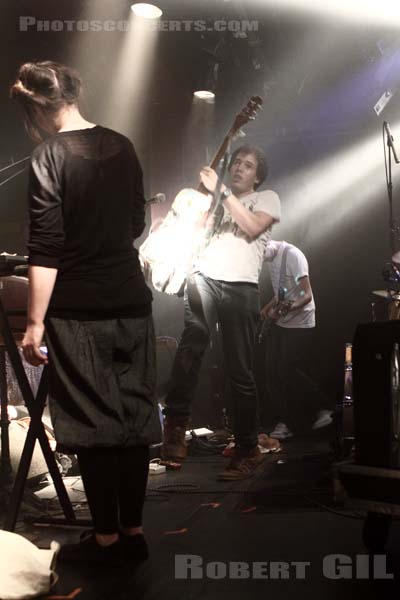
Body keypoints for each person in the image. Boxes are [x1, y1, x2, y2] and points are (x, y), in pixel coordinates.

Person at [10, 61, 162, 565]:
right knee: (135, 417)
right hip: (131, 300)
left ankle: (106, 541)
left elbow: (46, 247)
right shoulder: (121, 144)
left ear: (34, 105)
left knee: (94, 426)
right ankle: (133, 533)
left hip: (79, 309)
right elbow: (137, 221)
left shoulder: (48, 155)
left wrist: (34, 323)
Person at [162, 145, 281, 480]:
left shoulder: (266, 198)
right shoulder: (215, 202)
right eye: (237, 163)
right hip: (203, 276)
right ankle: (175, 423)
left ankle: (247, 448)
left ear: (257, 175)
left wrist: (222, 191)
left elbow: (253, 228)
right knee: (194, 338)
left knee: (239, 370)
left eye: (247, 165)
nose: (239, 168)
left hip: (241, 287)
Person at [261, 240, 332, 439]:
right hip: (284, 322)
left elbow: (305, 293)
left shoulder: (293, 255)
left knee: (285, 370)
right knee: (271, 375)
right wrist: (268, 308)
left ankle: (324, 407)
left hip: (300, 322)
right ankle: (287, 421)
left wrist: (284, 309)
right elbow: (284, 291)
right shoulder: (269, 258)